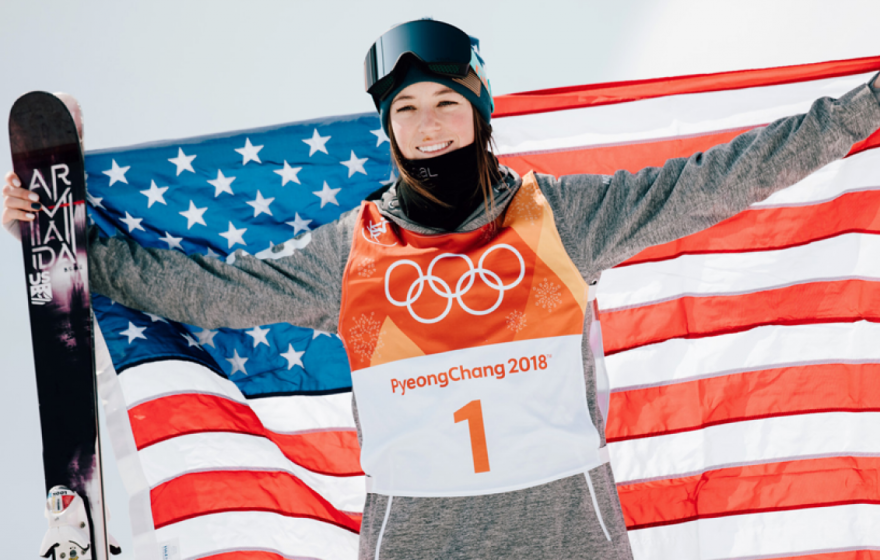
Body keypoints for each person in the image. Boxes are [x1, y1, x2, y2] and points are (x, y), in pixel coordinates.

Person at [5, 19, 880, 560]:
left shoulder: (560, 219)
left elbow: (717, 179)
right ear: (388, 129)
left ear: (479, 114)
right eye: (407, 112)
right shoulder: (354, 252)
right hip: (417, 540)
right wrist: (70, 246)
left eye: (445, 106)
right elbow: (216, 291)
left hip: (566, 537)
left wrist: (858, 112)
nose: (427, 129)